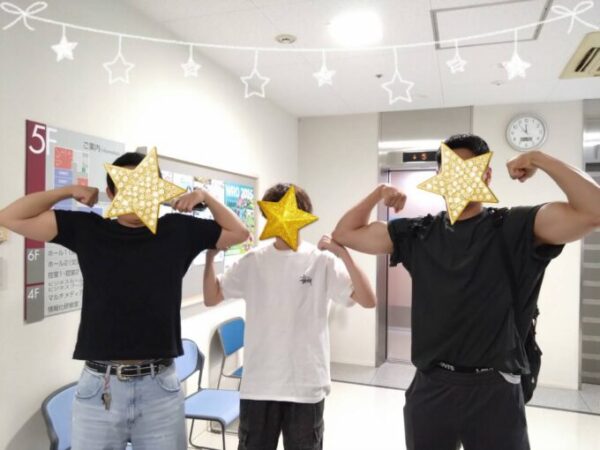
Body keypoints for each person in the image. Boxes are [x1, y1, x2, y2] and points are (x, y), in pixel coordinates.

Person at [332, 134, 600, 450]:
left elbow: (593, 212)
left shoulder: (514, 226)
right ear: (439, 176)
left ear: (486, 174)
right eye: (450, 168)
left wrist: (539, 158)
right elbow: (345, 233)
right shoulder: (419, 232)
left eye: (468, 168)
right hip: (431, 386)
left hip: (494, 389)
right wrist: (378, 193)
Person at [0, 152, 250, 450]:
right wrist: (67, 191)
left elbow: (239, 232)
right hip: (99, 387)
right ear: (111, 192)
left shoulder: (178, 230)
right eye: (127, 187)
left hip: (160, 388)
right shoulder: (88, 229)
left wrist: (204, 196)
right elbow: (10, 217)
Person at [203, 183, 377, 450]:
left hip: (305, 387)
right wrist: (209, 259)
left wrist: (342, 253)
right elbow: (212, 296)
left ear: (303, 215)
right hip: (259, 386)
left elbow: (368, 299)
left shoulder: (321, 261)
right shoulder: (253, 261)